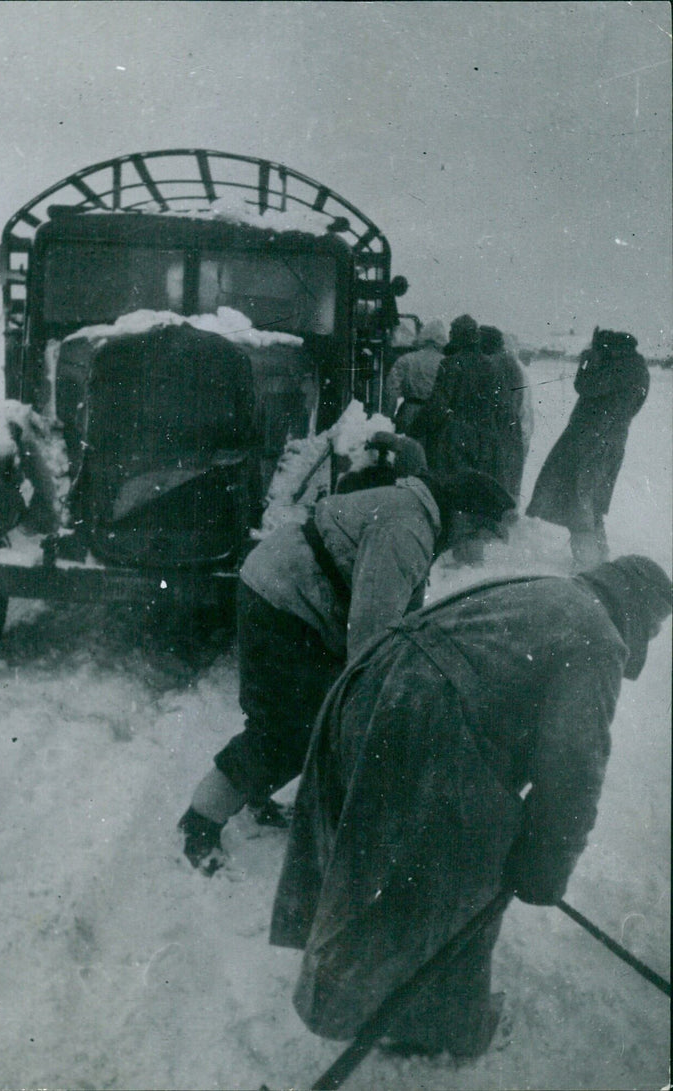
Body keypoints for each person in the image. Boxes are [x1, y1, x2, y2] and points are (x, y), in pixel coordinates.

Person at [269, 555, 671, 1060]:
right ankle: (432, 1027)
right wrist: (543, 866)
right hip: (425, 724)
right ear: (638, 609)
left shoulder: (542, 587)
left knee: (366, 863)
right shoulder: (599, 638)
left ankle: (348, 997)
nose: (650, 640)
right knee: (457, 879)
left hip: (370, 687)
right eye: (655, 628)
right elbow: (572, 766)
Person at [178, 436, 516, 873]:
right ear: (465, 517)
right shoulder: (406, 529)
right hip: (279, 601)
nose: (475, 547)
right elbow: (370, 637)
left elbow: (399, 614)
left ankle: (253, 794)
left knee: (315, 717)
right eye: (479, 535)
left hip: (295, 601)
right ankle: (198, 823)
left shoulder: (418, 520)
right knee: (286, 728)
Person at [527, 328, 650, 568]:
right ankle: (599, 559)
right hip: (612, 441)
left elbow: (585, 386)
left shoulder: (621, 369)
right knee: (592, 502)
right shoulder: (638, 369)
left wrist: (586, 364)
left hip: (592, 442)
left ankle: (588, 565)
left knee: (580, 501)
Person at [406, 314, 520, 564]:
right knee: (478, 493)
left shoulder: (451, 364)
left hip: (456, 439)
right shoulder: (492, 365)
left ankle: (459, 557)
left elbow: (438, 405)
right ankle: (475, 554)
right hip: (487, 440)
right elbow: (504, 409)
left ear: (456, 336)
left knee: (456, 493)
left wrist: (413, 431)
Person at [478, 324, 529, 504]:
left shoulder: (493, 363)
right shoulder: (512, 362)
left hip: (496, 425)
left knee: (494, 473)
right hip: (511, 425)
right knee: (509, 475)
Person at [382, 319, 447, 429]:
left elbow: (391, 391)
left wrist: (387, 418)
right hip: (436, 417)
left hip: (409, 413)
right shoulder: (446, 363)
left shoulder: (406, 360)